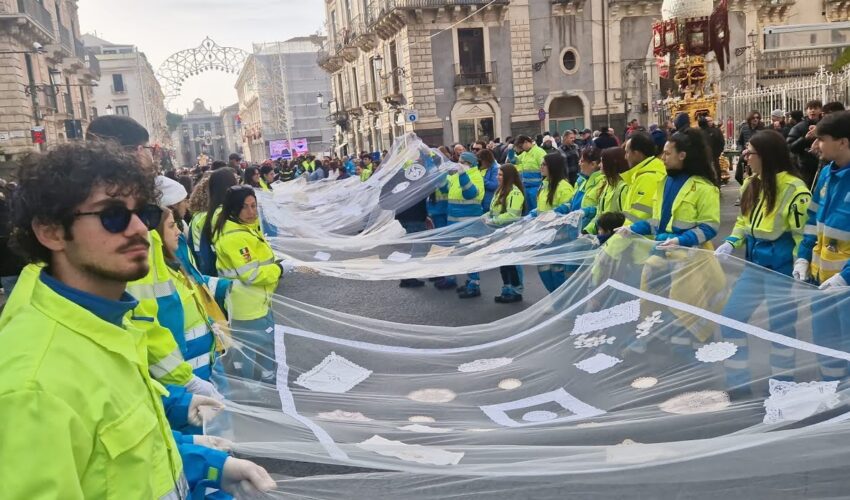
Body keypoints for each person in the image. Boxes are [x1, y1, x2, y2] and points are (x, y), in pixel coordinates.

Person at [0, 141, 275, 498]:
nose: (139, 230)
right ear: (51, 231)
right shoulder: (32, 385)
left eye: (143, 214)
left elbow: (124, 458)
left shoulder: (107, 323)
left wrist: (207, 464)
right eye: (111, 215)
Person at [714, 130, 811, 393]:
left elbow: (802, 233)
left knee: (781, 328)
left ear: (766, 156)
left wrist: (799, 264)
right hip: (754, 262)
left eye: (750, 153)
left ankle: (783, 386)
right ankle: (739, 383)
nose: (745, 158)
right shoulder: (751, 183)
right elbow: (743, 222)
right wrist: (731, 242)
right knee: (731, 319)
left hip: (781, 265)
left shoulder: (794, 188)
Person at [212, 186, 295, 383]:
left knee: (261, 344)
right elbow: (251, 274)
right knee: (252, 348)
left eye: (253, 206)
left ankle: (265, 380)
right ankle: (253, 388)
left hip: (257, 300)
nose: (251, 212)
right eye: (245, 207)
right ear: (234, 209)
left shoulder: (245, 230)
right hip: (247, 304)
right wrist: (280, 270)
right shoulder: (236, 237)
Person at [793, 110, 850, 380]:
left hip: (845, 288)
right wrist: (803, 256)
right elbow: (813, 220)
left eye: (822, 139)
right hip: (821, 282)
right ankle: (833, 397)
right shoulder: (826, 175)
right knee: (826, 346)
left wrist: (846, 277)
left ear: (844, 142)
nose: (815, 145)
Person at [434, 151, 485, 298]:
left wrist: (463, 175)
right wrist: (441, 174)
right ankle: (465, 280)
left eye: (462, 162)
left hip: (469, 223)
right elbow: (444, 188)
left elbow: (470, 193)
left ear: (470, 164)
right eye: (459, 161)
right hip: (454, 222)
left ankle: (474, 284)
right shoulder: (456, 176)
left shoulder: (476, 177)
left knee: (470, 253)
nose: (459, 164)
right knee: (456, 253)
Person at [532, 153, 578, 293]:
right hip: (543, 235)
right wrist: (533, 214)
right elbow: (542, 208)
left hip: (558, 236)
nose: (541, 167)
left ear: (553, 166)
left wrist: (553, 215)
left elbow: (568, 210)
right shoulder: (544, 185)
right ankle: (553, 297)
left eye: (544, 164)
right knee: (543, 268)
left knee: (557, 270)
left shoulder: (563, 187)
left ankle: (560, 300)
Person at [488, 164, 526, 303]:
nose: (498, 177)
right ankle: (507, 288)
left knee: (510, 263)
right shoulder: (500, 190)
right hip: (499, 231)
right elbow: (494, 210)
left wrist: (494, 220)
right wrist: (487, 216)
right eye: (498, 174)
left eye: (501, 175)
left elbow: (512, 215)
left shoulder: (515, 192)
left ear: (509, 176)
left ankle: (516, 291)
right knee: (502, 263)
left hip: (510, 232)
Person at [197, 168, 239, 276]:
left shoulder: (209, 217)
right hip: (239, 278)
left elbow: (205, 255)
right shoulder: (231, 215)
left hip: (220, 278)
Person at [622, 132, 667, 226]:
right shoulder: (643, 174)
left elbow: (638, 218)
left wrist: (615, 239)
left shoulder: (648, 178)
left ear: (637, 154)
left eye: (627, 152)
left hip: (640, 238)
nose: (625, 157)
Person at [584, 147, 630, 235]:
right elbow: (599, 214)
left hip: (615, 238)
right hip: (604, 235)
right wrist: (588, 231)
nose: (599, 165)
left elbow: (625, 219)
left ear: (611, 164)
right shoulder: (607, 186)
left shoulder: (624, 188)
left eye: (602, 162)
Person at [787, 99, 822, 189]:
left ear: (820, 110)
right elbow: (790, 147)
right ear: (806, 111)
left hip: (824, 166)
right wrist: (805, 139)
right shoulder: (799, 127)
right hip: (805, 167)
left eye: (815, 108)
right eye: (810, 108)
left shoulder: (825, 125)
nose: (812, 110)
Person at [568, 146, 606, 229]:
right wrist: (565, 207)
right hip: (575, 227)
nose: (579, 163)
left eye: (582, 161)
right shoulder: (581, 181)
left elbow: (604, 209)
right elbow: (573, 202)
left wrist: (589, 212)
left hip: (590, 230)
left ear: (593, 164)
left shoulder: (603, 183)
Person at [514, 135, 547, 211]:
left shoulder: (539, 152)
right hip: (526, 187)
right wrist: (511, 152)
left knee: (536, 210)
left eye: (521, 146)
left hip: (537, 188)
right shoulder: (525, 153)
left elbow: (546, 170)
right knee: (528, 211)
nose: (521, 149)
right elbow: (514, 160)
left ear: (526, 142)